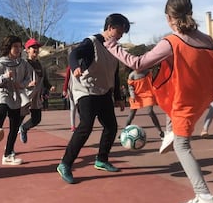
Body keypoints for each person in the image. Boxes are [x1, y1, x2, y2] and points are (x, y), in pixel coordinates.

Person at [104, 0, 213, 203]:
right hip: (201, 97)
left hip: (184, 102)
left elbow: (137, 63)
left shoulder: (171, 41)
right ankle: (170, 130)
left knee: (182, 147)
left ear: (168, 18)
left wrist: (112, 45)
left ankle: (204, 195)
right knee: (167, 86)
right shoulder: (207, 41)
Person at [56, 13, 129, 184]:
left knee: (111, 126)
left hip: (103, 91)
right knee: (86, 126)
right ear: (110, 28)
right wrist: (75, 67)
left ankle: (101, 160)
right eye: (119, 31)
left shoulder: (114, 48)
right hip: (85, 90)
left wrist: (117, 97)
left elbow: (115, 74)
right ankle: (65, 164)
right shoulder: (92, 42)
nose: (120, 35)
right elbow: (74, 54)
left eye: (123, 33)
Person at [0, 35, 34, 165]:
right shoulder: (1, 63)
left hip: (15, 95)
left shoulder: (23, 63)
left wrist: (23, 84)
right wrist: (4, 76)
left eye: (20, 47)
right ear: (8, 47)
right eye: (15, 46)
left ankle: (7, 155)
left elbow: (27, 78)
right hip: (2, 92)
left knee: (14, 127)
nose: (18, 49)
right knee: (2, 109)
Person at [18, 38, 55, 144]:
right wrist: (27, 84)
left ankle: (24, 128)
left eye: (37, 47)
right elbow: (18, 80)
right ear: (27, 50)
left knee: (36, 119)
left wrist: (49, 86)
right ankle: (9, 149)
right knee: (16, 122)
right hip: (25, 96)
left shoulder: (40, 65)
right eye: (33, 47)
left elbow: (45, 80)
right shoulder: (23, 64)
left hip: (36, 97)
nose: (36, 49)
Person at [125, 69, 164, 138]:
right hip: (136, 96)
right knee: (131, 114)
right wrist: (132, 96)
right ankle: (124, 131)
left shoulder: (148, 72)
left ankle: (160, 131)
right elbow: (131, 88)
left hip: (148, 94)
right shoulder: (132, 75)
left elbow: (154, 80)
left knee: (150, 111)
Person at [62, 65, 78, 132]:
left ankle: (83, 124)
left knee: (79, 108)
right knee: (73, 108)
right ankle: (73, 126)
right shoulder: (70, 66)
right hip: (72, 89)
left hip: (81, 90)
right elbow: (67, 78)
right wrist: (65, 89)